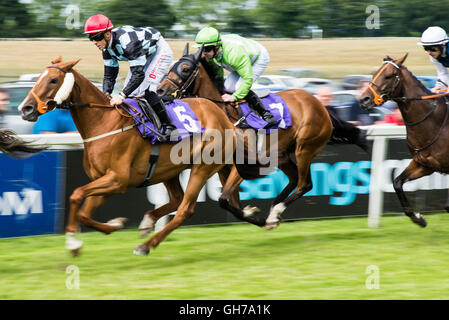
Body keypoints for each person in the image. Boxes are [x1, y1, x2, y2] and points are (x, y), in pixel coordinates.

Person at [83, 14, 175, 141]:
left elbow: (138, 75)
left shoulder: (129, 44)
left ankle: (169, 126)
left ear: (107, 34)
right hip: (141, 54)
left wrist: (121, 95)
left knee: (147, 90)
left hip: (159, 51)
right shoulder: (106, 50)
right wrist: (106, 93)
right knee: (131, 94)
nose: (94, 42)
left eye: (97, 37)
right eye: (90, 38)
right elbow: (110, 75)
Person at [193, 26, 277, 128]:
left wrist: (234, 97)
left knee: (238, 88)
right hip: (239, 60)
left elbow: (247, 78)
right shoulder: (212, 53)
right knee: (228, 87)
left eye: (206, 49)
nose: (204, 52)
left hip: (258, 58)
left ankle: (266, 114)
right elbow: (218, 72)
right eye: (201, 49)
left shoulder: (233, 54)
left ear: (217, 47)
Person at [315, 86, 368, 152]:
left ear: (332, 97)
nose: (326, 98)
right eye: (323, 96)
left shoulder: (334, 110)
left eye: (328, 96)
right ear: (317, 97)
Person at [417, 26, 449, 92]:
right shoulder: (434, 55)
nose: (429, 53)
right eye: (426, 48)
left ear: (443, 45)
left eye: (432, 48)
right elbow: (443, 73)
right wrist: (439, 86)